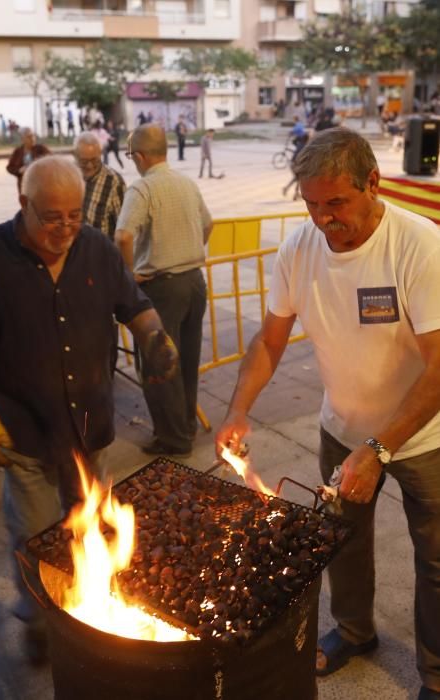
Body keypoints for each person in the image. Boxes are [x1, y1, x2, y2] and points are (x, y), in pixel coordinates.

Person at [216, 128, 440, 700]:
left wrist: (380, 448)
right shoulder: (298, 249)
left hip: (424, 438)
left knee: (436, 559)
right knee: (339, 542)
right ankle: (354, 632)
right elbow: (269, 342)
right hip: (342, 428)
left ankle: (436, 675)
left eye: (336, 203)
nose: (322, 219)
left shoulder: (419, 246)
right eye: (311, 204)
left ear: (373, 182)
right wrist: (239, 409)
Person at [0, 155, 178, 665]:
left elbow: (133, 304)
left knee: (90, 533)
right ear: (24, 204)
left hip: (90, 432)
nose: (65, 228)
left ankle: (88, 616)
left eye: (74, 215)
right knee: (37, 539)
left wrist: (154, 335)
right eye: (52, 217)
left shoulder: (98, 250)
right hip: (25, 436)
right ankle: (40, 622)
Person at [116, 124, 213, 457]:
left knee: (159, 363)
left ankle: (173, 440)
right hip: (194, 282)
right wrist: (186, 252)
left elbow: (123, 237)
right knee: (186, 358)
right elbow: (208, 224)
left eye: (131, 155)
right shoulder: (185, 182)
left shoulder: (142, 189)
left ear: (140, 156)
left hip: (162, 289)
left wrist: (128, 278)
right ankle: (185, 425)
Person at [74, 131, 126, 240]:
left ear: (100, 154)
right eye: (84, 161)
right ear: (76, 157)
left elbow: (124, 232)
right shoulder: (71, 175)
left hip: (102, 254)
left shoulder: (113, 182)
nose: (89, 166)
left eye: (94, 160)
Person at [6, 127, 50, 194]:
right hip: (24, 185)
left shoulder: (41, 149)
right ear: (22, 139)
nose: (32, 139)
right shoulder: (18, 151)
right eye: (29, 137)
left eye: (33, 136)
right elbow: (9, 167)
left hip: (39, 185)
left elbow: (52, 161)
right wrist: (19, 170)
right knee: (25, 202)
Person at [282, 116, 309, 200]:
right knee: (299, 179)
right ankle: (294, 193)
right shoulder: (304, 147)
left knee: (297, 179)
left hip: (293, 164)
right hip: (296, 164)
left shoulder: (300, 145)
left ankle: (292, 192)